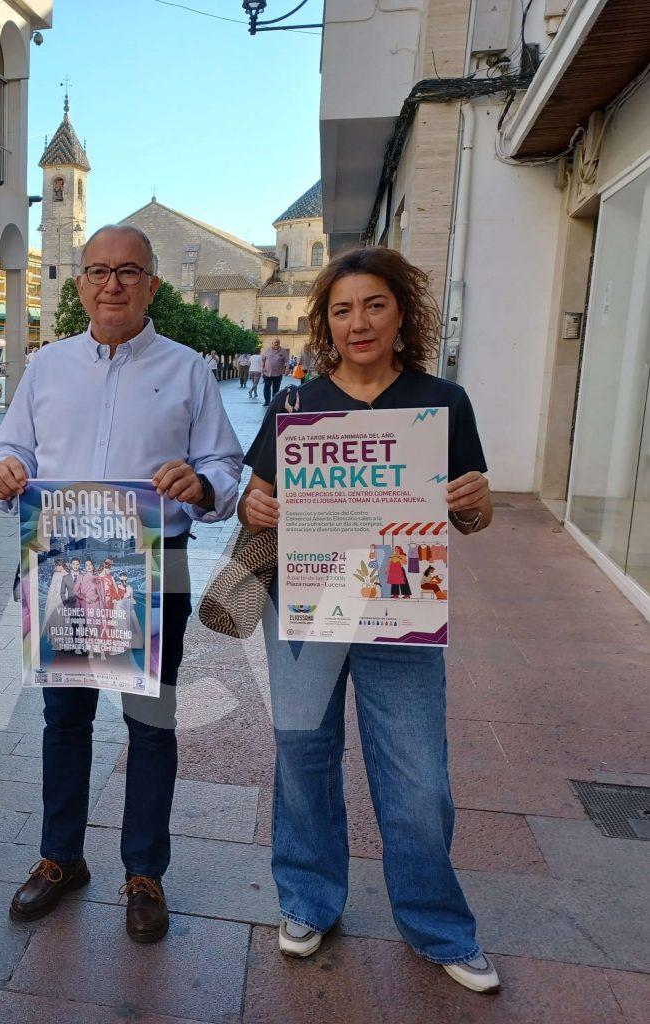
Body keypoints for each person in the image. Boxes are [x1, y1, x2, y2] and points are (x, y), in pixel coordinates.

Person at [237, 245, 499, 993]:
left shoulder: (441, 402)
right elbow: (254, 502)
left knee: (418, 780)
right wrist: (254, 505)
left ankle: (436, 925)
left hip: (400, 611)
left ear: (400, 313)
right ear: (325, 323)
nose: (359, 323)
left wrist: (476, 504)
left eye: (374, 306)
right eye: (342, 310)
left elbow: (470, 515)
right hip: (306, 607)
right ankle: (308, 899)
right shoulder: (296, 406)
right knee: (303, 759)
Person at [0, 224, 242, 943]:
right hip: (62, 564)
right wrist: (5, 472)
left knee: (151, 726)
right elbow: (11, 448)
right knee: (64, 721)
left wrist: (200, 484)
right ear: (79, 284)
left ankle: (144, 873)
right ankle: (61, 859)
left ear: (152, 285)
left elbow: (224, 468)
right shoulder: (46, 367)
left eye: (129, 271)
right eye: (98, 270)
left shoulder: (188, 369)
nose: (112, 284)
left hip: (154, 568)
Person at [261, 337, 287, 406]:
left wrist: (287, 370)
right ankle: (267, 401)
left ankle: (274, 402)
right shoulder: (267, 350)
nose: (276, 344)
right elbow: (263, 359)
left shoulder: (283, 351)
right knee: (266, 388)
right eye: (275, 342)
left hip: (278, 374)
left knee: (276, 389)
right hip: (267, 373)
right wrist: (262, 368)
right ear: (272, 343)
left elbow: (287, 361)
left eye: (278, 342)